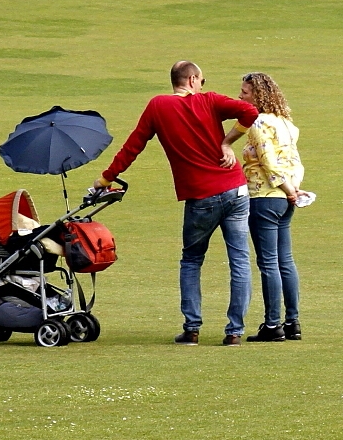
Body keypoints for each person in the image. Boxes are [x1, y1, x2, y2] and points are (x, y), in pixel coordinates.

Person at [100, 60, 259, 346]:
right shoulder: (209, 101)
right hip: (235, 189)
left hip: (201, 196)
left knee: (192, 260)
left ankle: (192, 328)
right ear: (193, 78)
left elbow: (133, 145)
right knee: (239, 260)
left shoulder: (158, 106)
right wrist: (227, 142)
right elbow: (249, 111)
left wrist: (106, 178)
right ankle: (234, 331)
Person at [226, 72, 305, 342]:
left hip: (264, 196)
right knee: (285, 260)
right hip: (285, 198)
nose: (240, 96)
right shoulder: (285, 123)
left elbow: (269, 162)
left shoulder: (258, 123)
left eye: (245, 92)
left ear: (258, 95)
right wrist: (293, 189)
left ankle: (273, 325)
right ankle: (292, 321)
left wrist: (286, 189)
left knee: (268, 262)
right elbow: (293, 161)